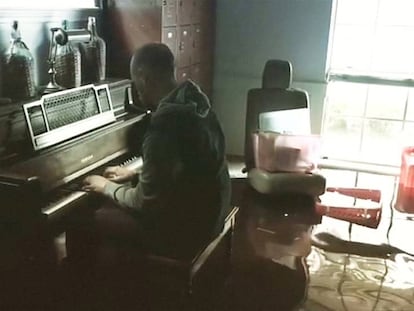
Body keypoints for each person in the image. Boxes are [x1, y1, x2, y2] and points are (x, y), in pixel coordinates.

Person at [79, 43, 231, 260]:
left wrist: (106, 187)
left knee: (86, 219)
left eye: (134, 81)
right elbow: (186, 174)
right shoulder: (195, 105)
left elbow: (145, 203)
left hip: (186, 232)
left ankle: (101, 287)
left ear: (144, 78)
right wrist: (135, 175)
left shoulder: (164, 128)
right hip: (212, 213)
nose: (135, 89)